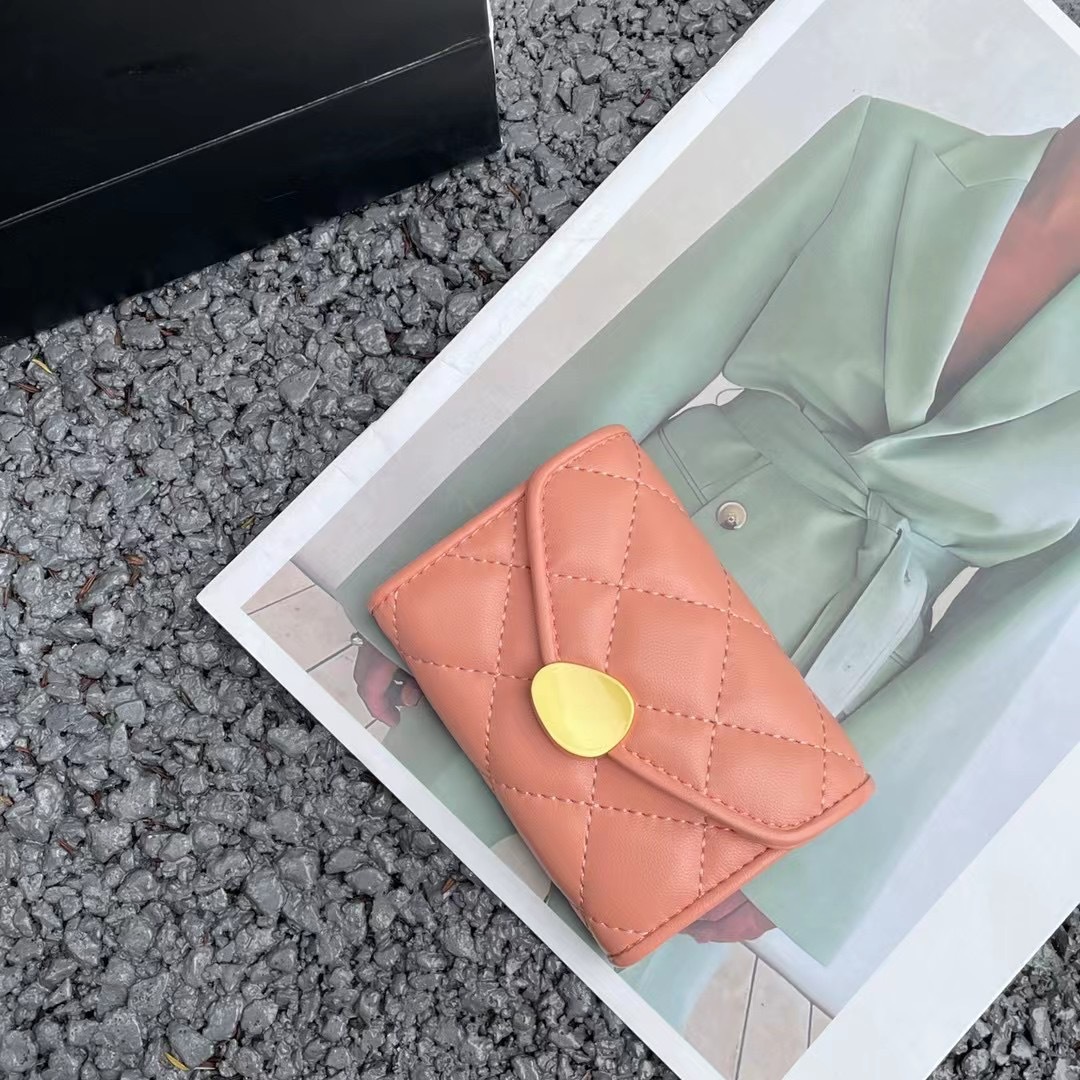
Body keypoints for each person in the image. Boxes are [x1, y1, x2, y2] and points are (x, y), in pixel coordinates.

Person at [340, 96, 1080, 1013]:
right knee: (367, 857)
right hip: (622, 552)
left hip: (819, 688)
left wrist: (812, 859)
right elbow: (653, 348)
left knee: (572, 989)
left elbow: (1009, 636)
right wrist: (439, 569)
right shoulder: (889, 146)